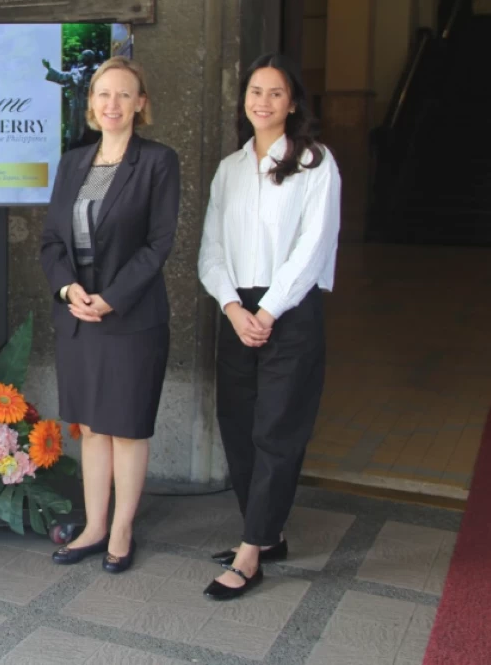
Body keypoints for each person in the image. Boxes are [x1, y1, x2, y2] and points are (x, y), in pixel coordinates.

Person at [197, 53, 341, 601]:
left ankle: (251, 551)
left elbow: (312, 248)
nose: (263, 102)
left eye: (275, 93)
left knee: (277, 430)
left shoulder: (314, 163)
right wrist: (234, 309)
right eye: (255, 91)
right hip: (237, 311)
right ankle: (268, 531)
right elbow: (211, 250)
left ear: (293, 102)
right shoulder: (230, 168)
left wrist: (269, 310)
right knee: (236, 423)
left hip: (291, 309)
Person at [39, 57, 181, 573]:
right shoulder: (73, 162)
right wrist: (68, 290)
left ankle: (122, 529)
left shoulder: (158, 162)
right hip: (79, 317)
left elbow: (158, 243)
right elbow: (53, 241)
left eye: (124, 95)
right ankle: (95, 525)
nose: (112, 104)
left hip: (130, 316)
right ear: (92, 103)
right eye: (103, 95)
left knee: (125, 427)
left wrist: (112, 297)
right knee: (92, 428)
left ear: (141, 103)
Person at [44, 48, 101, 149]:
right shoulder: (77, 72)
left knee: (92, 130)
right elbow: (61, 77)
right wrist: (49, 68)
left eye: (85, 57)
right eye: (83, 56)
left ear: (91, 58)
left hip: (93, 107)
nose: (83, 58)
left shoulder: (99, 73)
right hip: (77, 106)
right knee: (76, 129)